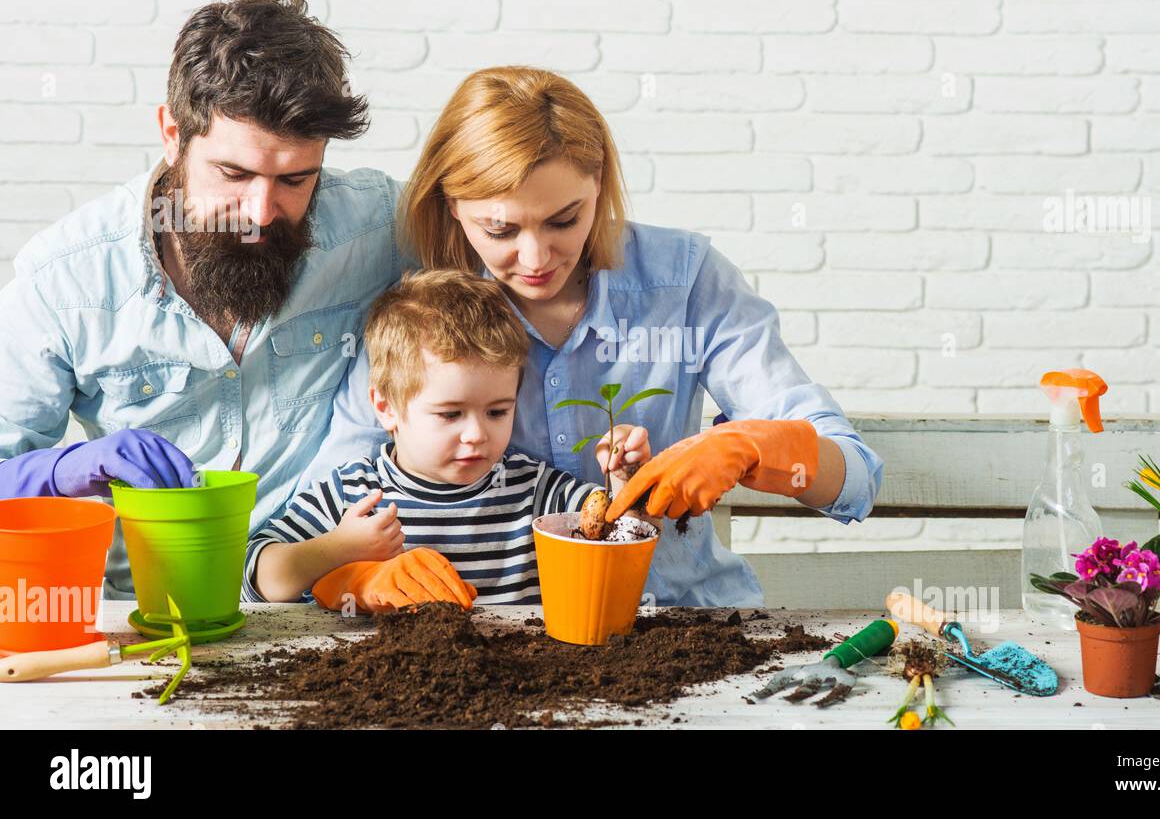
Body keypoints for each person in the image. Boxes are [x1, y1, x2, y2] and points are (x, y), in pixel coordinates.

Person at [301, 66, 885, 608]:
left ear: (599, 185)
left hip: (683, 621)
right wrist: (351, 575)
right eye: (500, 228)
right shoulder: (429, 315)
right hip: (505, 643)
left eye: (564, 220)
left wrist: (758, 447)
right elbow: (324, 511)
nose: (535, 258)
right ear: (453, 205)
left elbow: (855, 476)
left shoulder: (684, 281)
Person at [0, 0, 405, 597]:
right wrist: (65, 469)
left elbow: (515, 240)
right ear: (172, 133)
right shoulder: (64, 280)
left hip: (322, 597)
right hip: (146, 614)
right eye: (233, 173)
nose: (262, 211)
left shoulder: (376, 223)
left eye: (296, 179)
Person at [244, 270, 655, 611]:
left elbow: (622, 538)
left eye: (497, 412)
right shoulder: (356, 494)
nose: (477, 434)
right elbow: (256, 578)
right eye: (450, 414)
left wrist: (624, 478)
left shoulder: (532, 492)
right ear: (386, 407)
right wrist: (338, 549)